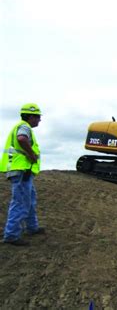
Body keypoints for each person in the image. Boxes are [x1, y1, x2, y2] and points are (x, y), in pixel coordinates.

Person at [0, 103, 45, 246]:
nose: (39, 120)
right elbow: (21, 138)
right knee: (20, 203)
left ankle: (32, 227)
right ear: (31, 116)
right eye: (38, 117)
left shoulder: (23, 126)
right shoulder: (24, 127)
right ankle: (11, 235)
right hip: (21, 171)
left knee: (30, 199)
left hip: (23, 171)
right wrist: (31, 154)